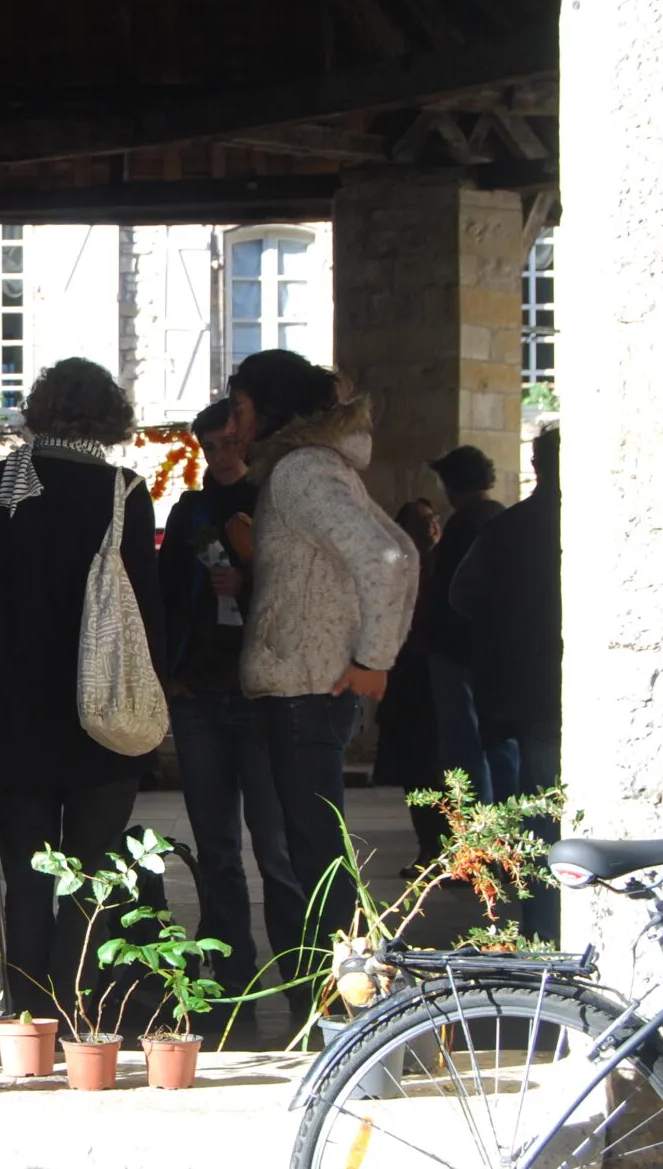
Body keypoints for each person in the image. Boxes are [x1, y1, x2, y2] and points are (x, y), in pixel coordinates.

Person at [0, 358, 169, 1021]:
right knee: (92, 872)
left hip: (16, 718)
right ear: (108, 417)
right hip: (98, 715)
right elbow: (147, 616)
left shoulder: (2, 486)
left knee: (25, 875)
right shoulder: (122, 492)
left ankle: (27, 1013)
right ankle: (80, 1010)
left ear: (42, 410)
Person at [225, 350, 417, 980]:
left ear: (271, 406)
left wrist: (373, 659)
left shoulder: (303, 470)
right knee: (306, 858)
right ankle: (332, 1007)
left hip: (306, 691)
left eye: (243, 408)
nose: (233, 425)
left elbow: (389, 557)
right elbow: (398, 551)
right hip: (303, 687)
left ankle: (341, 1010)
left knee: (315, 863)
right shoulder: (309, 466)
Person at [156, 397, 306, 1007]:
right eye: (211, 446)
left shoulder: (275, 504)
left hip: (261, 694)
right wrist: (172, 673)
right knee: (216, 847)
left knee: (275, 848)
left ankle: (301, 977)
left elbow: (296, 591)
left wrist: (245, 582)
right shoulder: (190, 509)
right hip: (201, 692)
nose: (222, 457)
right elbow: (165, 594)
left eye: (231, 445)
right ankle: (234, 973)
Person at [451, 426, 562, 940]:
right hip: (549, 689)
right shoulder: (598, 521)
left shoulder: (507, 528)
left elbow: (462, 597)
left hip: (531, 690)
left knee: (541, 814)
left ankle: (544, 931)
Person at [425, 445, 519, 804]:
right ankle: (508, 828)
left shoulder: (463, 524)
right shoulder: (503, 518)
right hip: (496, 652)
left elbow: (450, 592)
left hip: (456, 650)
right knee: (501, 743)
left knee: (464, 746)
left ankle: (478, 835)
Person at [373, 500, 447, 874]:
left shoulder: (442, 564)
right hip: (410, 682)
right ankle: (431, 849)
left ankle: (444, 850)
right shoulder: (395, 569)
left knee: (434, 771)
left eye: (432, 520)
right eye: (419, 524)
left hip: (431, 682)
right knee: (418, 772)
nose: (430, 529)